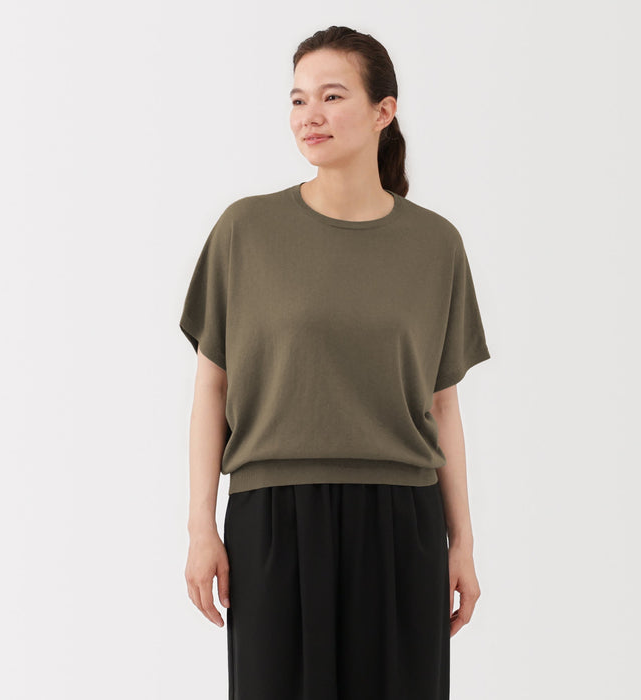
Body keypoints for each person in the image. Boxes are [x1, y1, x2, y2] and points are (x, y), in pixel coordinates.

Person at [179, 25, 491, 700]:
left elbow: (442, 405)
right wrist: (202, 525)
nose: (309, 115)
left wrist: (462, 542)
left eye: (331, 95)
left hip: (403, 520)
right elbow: (211, 388)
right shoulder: (245, 231)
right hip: (271, 518)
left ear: (384, 111)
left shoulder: (435, 244)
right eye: (297, 99)